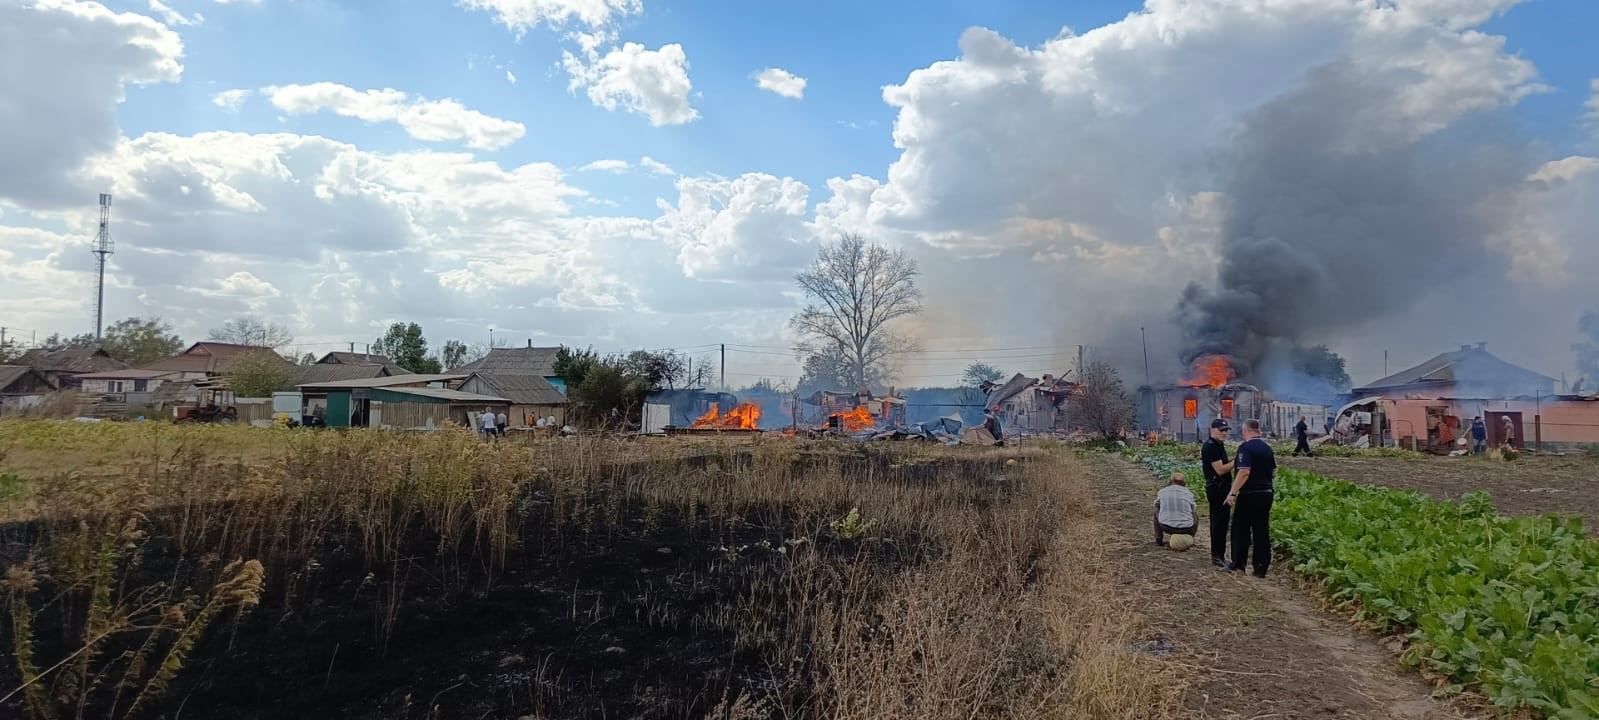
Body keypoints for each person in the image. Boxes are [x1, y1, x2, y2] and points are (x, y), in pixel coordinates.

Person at [1223, 418, 1276, 578]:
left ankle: (1238, 564)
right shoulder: (1267, 448)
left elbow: (1244, 472)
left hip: (1249, 494)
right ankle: (1261, 567)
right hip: (1266, 493)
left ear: (1245, 431)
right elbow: (1273, 472)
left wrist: (1232, 492)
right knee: (1261, 529)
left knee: (1241, 528)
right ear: (1258, 430)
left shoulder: (1245, 448)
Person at [1200, 419, 1235, 567]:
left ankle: (1219, 555)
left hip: (1222, 488)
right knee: (1218, 523)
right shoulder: (1211, 447)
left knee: (1222, 522)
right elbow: (1220, 470)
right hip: (1217, 489)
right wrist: (1238, 460)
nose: (1224, 433)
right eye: (1221, 430)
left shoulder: (1218, 445)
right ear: (1212, 430)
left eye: (1226, 430)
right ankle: (1216, 556)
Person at [1154, 471, 1198, 547]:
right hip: (1187, 528)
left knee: (1156, 511)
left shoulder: (1162, 492)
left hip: (1166, 527)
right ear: (1184, 483)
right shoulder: (1188, 493)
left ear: (1170, 481)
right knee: (1195, 515)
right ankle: (1191, 538)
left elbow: (1156, 504)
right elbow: (1193, 509)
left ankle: (1159, 539)